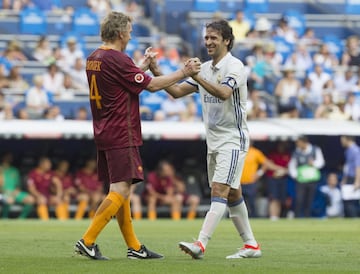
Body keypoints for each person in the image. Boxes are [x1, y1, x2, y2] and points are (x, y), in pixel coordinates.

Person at [74, 11, 200, 260]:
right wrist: (184, 72)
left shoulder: (94, 57)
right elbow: (151, 86)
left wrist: (140, 67)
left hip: (104, 130)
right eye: (130, 31)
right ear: (121, 33)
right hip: (122, 132)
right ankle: (88, 241)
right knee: (120, 190)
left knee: (123, 190)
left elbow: (120, 81)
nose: (131, 35)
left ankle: (134, 247)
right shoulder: (118, 59)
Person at [149, 19, 261, 259]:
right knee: (231, 193)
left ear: (227, 41)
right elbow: (177, 92)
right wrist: (156, 70)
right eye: (206, 37)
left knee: (219, 189)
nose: (208, 42)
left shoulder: (236, 66)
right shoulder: (207, 68)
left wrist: (196, 76)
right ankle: (251, 245)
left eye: (213, 38)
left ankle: (200, 244)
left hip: (233, 139)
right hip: (213, 140)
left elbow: (223, 93)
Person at [240, 142, 287, 217]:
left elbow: (266, 163)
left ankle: (253, 218)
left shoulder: (255, 152)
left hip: (250, 182)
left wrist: (259, 173)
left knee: (251, 203)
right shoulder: (239, 151)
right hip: (238, 182)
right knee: (237, 203)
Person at [288, 136, 325, 217]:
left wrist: (313, 163)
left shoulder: (315, 150)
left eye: (298, 142)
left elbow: (321, 162)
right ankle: (297, 217)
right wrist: (295, 176)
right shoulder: (296, 152)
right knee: (299, 199)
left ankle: (307, 217)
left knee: (309, 200)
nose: (297, 144)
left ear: (304, 142)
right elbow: (292, 165)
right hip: (301, 180)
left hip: (312, 180)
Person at [0, 153, 35, 218]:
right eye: (7, 157)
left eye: (10, 158)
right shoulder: (1, 170)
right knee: (9, 200)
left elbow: (17, 185)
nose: (9, 159)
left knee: (31, 199)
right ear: (3, 158)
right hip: (2, 193)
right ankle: (4, 218)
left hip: (14, 192)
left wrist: (16, 192)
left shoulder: (14, 170)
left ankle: (20, 219)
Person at [265, 141, 291, 220]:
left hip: (283, 179)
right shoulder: (272, 155)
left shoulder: (287, 155)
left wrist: (283, 171)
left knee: (280, 199)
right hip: (272, 179)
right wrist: (280, 169)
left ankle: (277, 216)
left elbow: (290, 167)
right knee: (273, 198)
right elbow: (268, 165)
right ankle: (273, 216)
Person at [340, 135, 360, 217]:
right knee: (347, 199)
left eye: (342, 140)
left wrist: (357, 181)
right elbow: (348, 167)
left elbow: (358, 166)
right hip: (349, 177)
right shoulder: (348, 151)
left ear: (348, 139)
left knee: (351, 201)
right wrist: (344, 179)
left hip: (354, 178)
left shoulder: (355, 150)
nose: (341, 142)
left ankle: (354, 220)